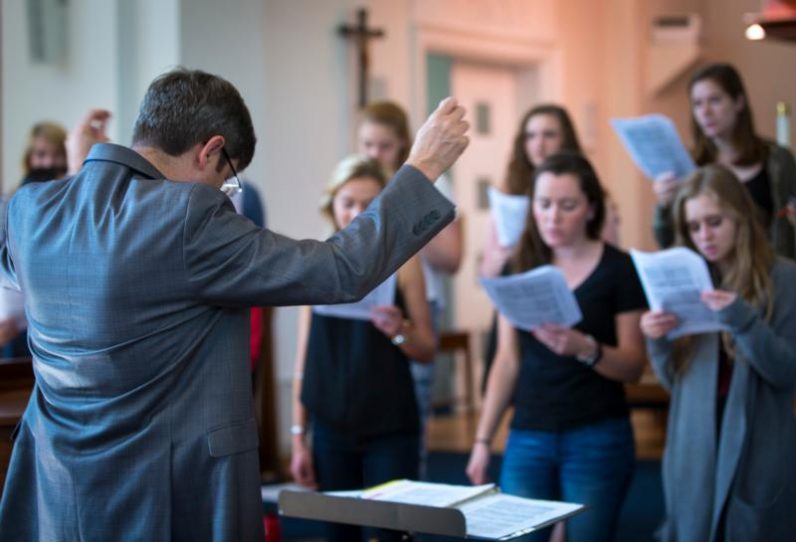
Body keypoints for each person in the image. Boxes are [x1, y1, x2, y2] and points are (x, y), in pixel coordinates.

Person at [0, 68, 469, 541]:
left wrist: (85, 179)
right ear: (210, 150)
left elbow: (91, 252)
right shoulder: (187, 216)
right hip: (162, 494)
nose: (223, 194)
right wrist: (422, 168)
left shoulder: (30, 210)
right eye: (227, 179)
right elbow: (339, 270)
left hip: (56, 489)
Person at [466, 152, 647, 542]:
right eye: (543, 204)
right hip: (529, 432)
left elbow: (634, 365)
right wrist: (482, 440)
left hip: (597, 434)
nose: (552, 217)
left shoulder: (619, 269)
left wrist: (586, 348)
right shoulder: (520, 266)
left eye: (568, 206)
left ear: (591, 208)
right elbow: (506, 361)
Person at [641, 164, 796, 541]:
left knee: (751, 528)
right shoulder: (690, 275)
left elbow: (786, 372)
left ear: (739, 217)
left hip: (757, 438)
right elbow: (675, 384)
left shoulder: (783, 276)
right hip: (693, 435)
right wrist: (657, 340)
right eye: (694, 227)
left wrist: (742, 319)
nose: (704, 236)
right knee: (692, 526)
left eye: (714, 222)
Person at [290, 155, 435, 541]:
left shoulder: (406, 262)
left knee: (394, 532)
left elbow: (427, 349)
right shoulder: (315, 260)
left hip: (390, 423)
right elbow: (304, 356)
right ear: (332, 205)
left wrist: (398, 330)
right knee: (339, 533)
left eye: (368, 204)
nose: (356, 213)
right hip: (331, 424)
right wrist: (296, 436)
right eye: (347, 202)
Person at [358, 100, 463, 476]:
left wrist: (402, 200)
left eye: (384, 146)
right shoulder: (357, 179)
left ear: (403, 142)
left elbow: (451, 258)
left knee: (412, 412)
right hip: (366, 307)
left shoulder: (434, 179)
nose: (375, 154)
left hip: (418, 307)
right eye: (367, 145)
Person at [652, 62, 796, 258]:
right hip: (711, 276)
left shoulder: (777, 159)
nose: (705, 112)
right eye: (697, 104)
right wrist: (664, 205)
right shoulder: (690, 165)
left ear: (738, 102)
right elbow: (667, 240)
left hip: (768, 272)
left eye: (714, 100)